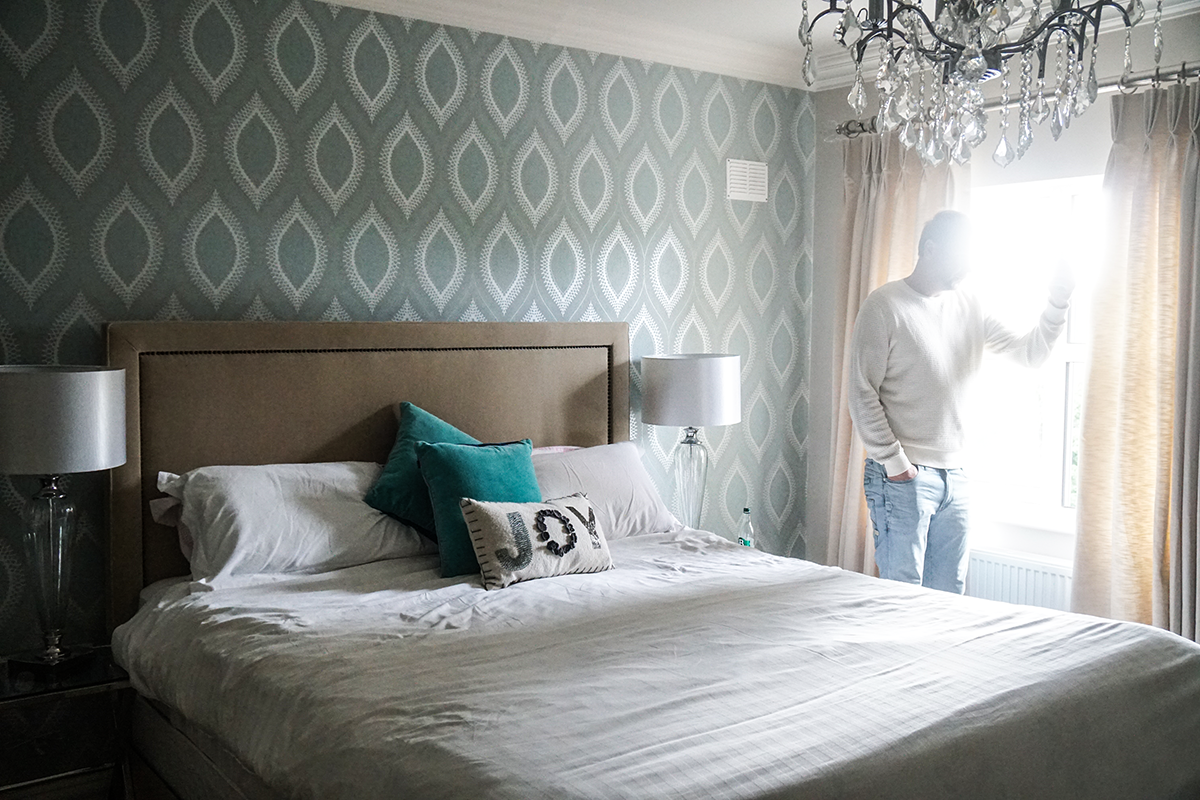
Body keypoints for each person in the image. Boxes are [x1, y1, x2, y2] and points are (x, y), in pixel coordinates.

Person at [848, 210, 1072, 593]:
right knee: (901, 595)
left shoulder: (970, 306)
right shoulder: (884, 306)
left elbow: (1030, 354)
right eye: (960, 256)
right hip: (903, 475)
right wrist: (896, 464)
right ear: (930, 249)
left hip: (957, 475)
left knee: (950, 595)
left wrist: (1057, 303)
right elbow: (861, 391)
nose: (967, 267)